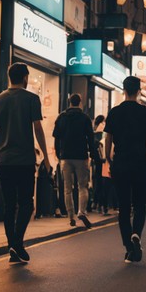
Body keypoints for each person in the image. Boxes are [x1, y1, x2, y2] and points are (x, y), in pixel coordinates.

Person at [0, 62, 52, 265]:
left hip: (4, 162)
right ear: (25, 78)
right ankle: (17, 242)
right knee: (26, 204)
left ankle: (12, 244)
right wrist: (46, 158)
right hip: (24, 161)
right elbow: (38, 129)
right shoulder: (31, 99)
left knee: (9, 204)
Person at [103, 76, 146, 263]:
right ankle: (136, 235)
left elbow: (108, 139)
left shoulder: (114, 112)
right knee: (140, 204)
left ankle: (128, 245)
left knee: (124, 207)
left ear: (124, 90)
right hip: (139, 163)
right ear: (139, 90)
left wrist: (109, 159)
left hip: (120, 164)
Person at [52, 93, 96, 229]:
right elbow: (90, 139)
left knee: (67, 188)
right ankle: (81, 212)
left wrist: (59, 154)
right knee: (82, 186)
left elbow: (56, 138)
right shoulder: (85, 118)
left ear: (69, 102)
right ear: (80, 102)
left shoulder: (61, 117)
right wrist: (93, 154)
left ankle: (71, 216)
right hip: (81, 156)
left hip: (65, 157)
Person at [91, 115, 108, 214]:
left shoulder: (94, 135)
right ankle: (100, 204)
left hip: (97, 162)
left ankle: (97, 203)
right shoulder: (100, 135)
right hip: (102, 162)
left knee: (98, 182)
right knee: (102, 183)